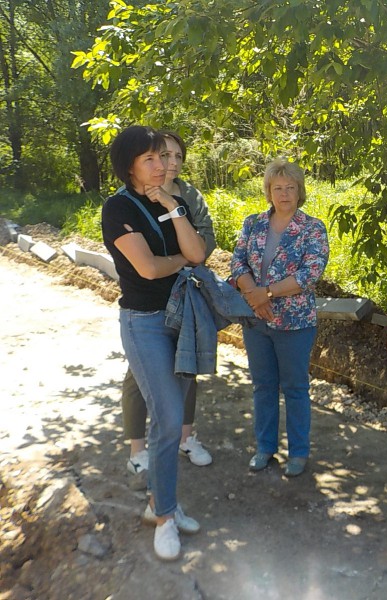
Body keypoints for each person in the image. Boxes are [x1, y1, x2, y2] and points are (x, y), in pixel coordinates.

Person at [102, 125, 207, 561]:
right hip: (144, 323)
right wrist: (180, 259)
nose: (163, 165)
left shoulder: (175, 202)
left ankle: (157, 504)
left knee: (171, 416)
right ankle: (165, 517)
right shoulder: (117, 207)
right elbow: (147, 269)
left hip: (182, 319)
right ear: (130, 168)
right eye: (151, 159)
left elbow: (198, 254)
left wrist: (172, 209)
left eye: (164, 158)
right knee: (166, 417)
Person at [123, 130, 216, 475]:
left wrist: (180, 257)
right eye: (164, 155)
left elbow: (206, 240)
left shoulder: (189, 195)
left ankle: (185, 438)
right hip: (147, 302)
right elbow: (141, 257)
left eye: (177, 156)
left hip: (187, 291)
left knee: (186, 363)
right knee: (138, 374)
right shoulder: (131, 199)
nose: (171, 163)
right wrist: (182, 254)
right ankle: (138, 450)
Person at [230, 159, 329, 478]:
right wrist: (254, 297)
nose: (284, 194)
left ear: (299, 191)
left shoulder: (313, 228)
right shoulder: (252, 223)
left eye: (290, 188)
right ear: (268, 192)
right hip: (256, 321)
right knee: (263, 386)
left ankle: (298, 452)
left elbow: (310, 273)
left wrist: (266, 293)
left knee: (296, 387)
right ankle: (265, 448)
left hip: (295, 324)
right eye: (278, 188)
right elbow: (237, 263)